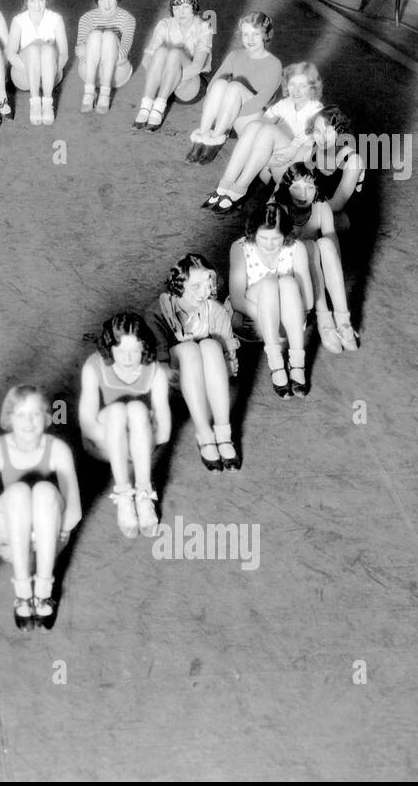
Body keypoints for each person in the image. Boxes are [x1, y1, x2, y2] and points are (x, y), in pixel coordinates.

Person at [0, 386, 82, 630]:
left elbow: (74, 510)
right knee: (18, 492)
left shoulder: (58, 448)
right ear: (9, 417)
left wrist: (43, 533)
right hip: (8, 539)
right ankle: (23, 592)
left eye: (35, 414)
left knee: (45, 491)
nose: (28, 422)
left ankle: (43, 591)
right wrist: (21, 534)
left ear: (46, 416)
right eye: (21, 415)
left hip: (48, 538)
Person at [78, 312, 172, 539]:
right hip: (103, 443)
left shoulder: (155, 371)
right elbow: (87, 424)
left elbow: (165, 432)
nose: (128, 358)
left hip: (141, 441)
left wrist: (135, 442)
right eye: (120, 351)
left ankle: (143, 492)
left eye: (135, 351)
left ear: (145, 347)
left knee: (138, 410)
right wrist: (117, 438)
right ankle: (123, 493)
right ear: (109, 348)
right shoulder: (93, 366)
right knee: (119, 411)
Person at [148, 254, 241, 471]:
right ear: (179, 285)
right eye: (196, 286)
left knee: (210, 346)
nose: (204, 292)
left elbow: (230, 364)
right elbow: (160, 366)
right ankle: (204, 432)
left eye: (208, 284)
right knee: (189, 349)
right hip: (176, 378)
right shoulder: (157, 312)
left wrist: (226, 362)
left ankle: (222, 430)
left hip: (210, 382)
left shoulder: (215, 311)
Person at [200, 62, 324, 212]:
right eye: (292, 85)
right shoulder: (285, 104)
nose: (296, 91)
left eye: (302, 86)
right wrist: (264, 152)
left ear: (312, 87)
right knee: (254, 126)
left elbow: (311, 142)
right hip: (271, 159)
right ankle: (224, 185)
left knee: (268, 130)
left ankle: (240, 189)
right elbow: (262, 124)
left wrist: (293, 148)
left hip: (293, 167)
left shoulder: (316, 110)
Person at [228, 202, 314, 397]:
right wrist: (269, 316)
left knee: (289, 283)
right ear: (252, 233)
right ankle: (276, 363)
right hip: (251, 322)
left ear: (285, 234)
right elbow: (237, 300)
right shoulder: (240, 248)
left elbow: (307, 302)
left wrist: (279, 316)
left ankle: (298, 362)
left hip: (288, 325)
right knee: (269, 284)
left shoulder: (296, 247)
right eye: (263, 238)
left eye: (276, 238)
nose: (269, 244)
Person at [272, 165, 361, 353]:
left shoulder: (322, 208)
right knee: (310, 247)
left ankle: (343, 321)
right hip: (287, 276)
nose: (303, 194)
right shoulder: (277, 208)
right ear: (286, 187)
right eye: (296, 187)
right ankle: (324, 320)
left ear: (316, 190)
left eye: (310, 188)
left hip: (316, 273)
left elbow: (333, 251)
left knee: (326, 245)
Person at [188, 12, 282, 164]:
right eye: (246, 34)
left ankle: (214, 141)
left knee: (235, 86)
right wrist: (221, 106)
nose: (250, 40)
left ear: (265, 35)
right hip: (229, 112)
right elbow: (213, 85)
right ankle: (201, 137)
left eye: (255, 34)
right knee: (220, 84)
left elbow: (260, 102)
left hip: (252, 119)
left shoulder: (274, 64)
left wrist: (231, 111)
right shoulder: (235, 55)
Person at [135, 0, 213, 131]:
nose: (180, 12)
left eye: (185, 7)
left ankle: (159, 107)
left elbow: (196, 67)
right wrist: (164, 77)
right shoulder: (165, 24)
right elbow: (147, 59)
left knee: (175, 53)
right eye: (176, 8)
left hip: (190, 85)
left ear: (193, 8)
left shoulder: (203, 28)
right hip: (165, 84)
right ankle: (146, 106)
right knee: (161, 51)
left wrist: (172, 79)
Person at [5, 0, 69, 126]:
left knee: (47, 49)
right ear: (25, 1)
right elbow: (11, 54)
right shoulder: (18, 20)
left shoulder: (56, 19)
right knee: (33, 48)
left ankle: (47, 102)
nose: (37, 5)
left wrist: (49, 71)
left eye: (41, 0)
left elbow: (64, 54)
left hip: (51, 74)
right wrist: (32, 71)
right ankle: (34, 102)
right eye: (32, 0)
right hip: (24, 76)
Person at [75, 0, 136, 115]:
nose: (107, 4)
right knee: (96, 34)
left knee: (108, 35)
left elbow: (124, 52)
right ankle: (89, 91)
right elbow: (79, 50)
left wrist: (96, 57)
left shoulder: (128, 19)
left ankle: (105, 93)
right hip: (90, 72)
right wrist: (98, 58)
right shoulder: (87, 18)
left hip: (117, 72)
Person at [304, 106, 364, 230]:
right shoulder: (311, 148)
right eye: (317, 131)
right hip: (316, 207)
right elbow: (287, 182)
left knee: (305, 225)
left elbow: (337, 204)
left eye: (328, 131)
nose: (322, 137)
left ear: (340, 132)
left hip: (344, 216)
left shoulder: (352, 159)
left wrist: (303, 212)